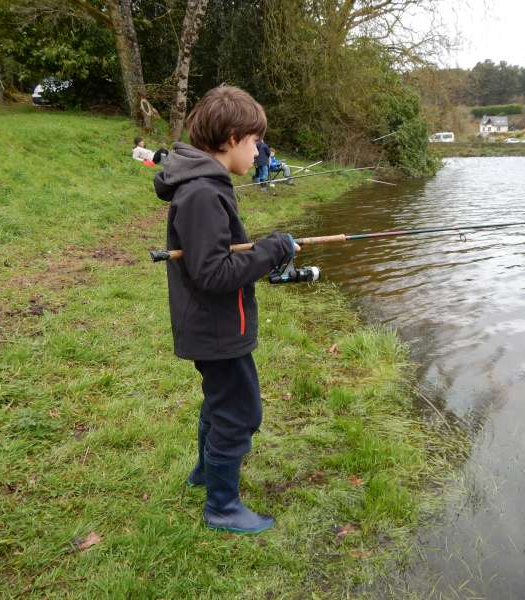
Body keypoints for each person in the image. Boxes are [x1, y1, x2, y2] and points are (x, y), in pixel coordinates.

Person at [153, 86, 298, 534]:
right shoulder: (200, 194)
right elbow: (213, 272)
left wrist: (264, 251)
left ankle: (204, 473)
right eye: (256, 142)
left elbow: (215, 256)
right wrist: (271, 251)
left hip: (215, 325)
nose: (259, 153)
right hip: (215, 328)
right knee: (239, 411)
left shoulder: (206, 185)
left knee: (223, 401)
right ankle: (222, 506)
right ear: (232, 138)